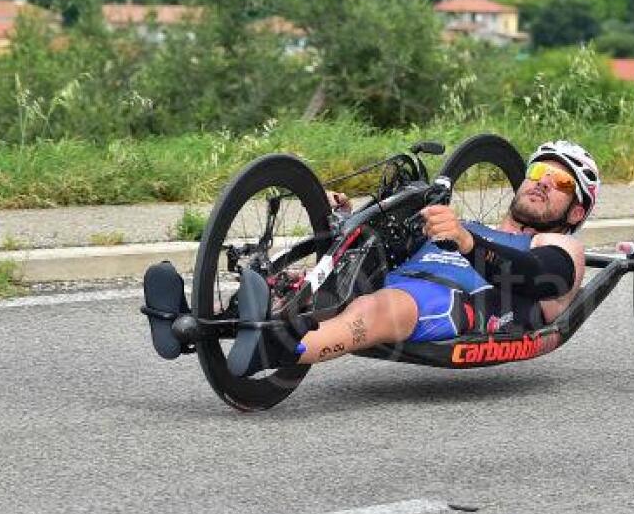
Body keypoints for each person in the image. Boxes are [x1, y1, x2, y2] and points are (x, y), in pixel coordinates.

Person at [228, 140, 600, 377]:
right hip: (397, 279)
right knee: (314, 278)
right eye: (538, 172)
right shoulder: (465, 224)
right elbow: (395, 248)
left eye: (563, 183)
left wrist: (466, 242)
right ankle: (199, 320)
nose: (543, 182)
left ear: (575, 213)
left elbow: (539, 276)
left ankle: (277, 349)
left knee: (385, 306)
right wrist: (349, 220)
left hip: (455, 304)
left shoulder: (560, 244)